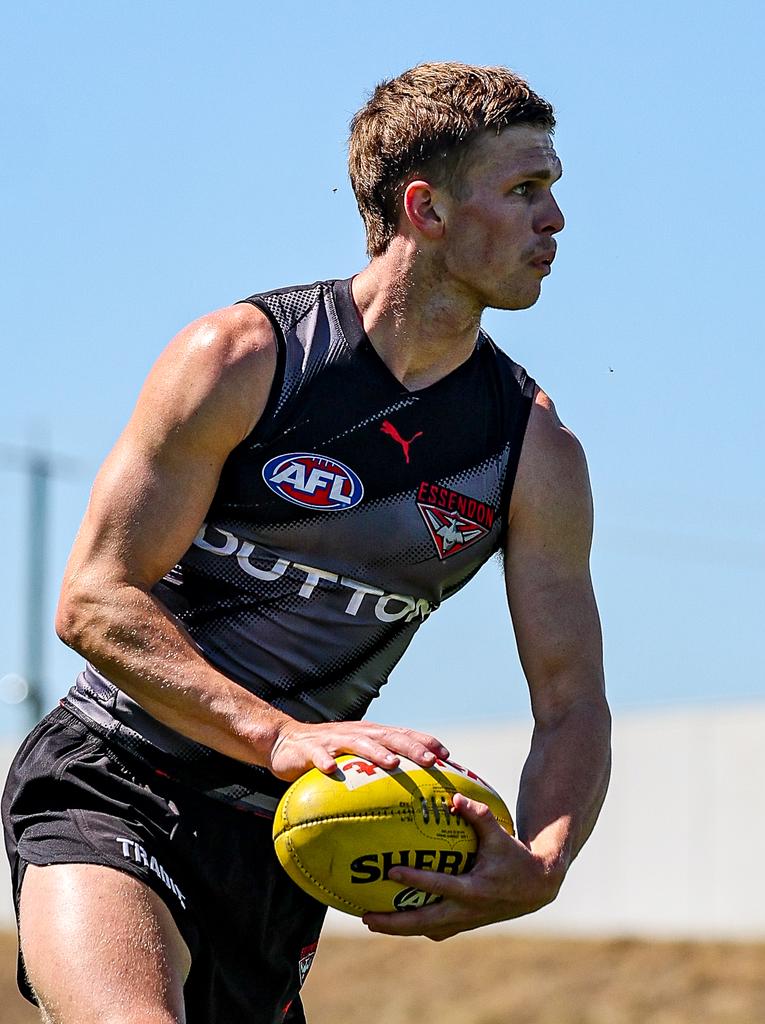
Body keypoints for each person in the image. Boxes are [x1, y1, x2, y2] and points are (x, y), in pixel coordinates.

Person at [3, 61, 611, 1024]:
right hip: (112, 772)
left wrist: (543, 858)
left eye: (554, 190)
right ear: (428, 208)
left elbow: (573, 702)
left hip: (289, 841)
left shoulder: (533, 450)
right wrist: (281, 735)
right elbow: (94, 599)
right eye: (526, 189)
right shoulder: (243, 359)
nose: (556, 220)